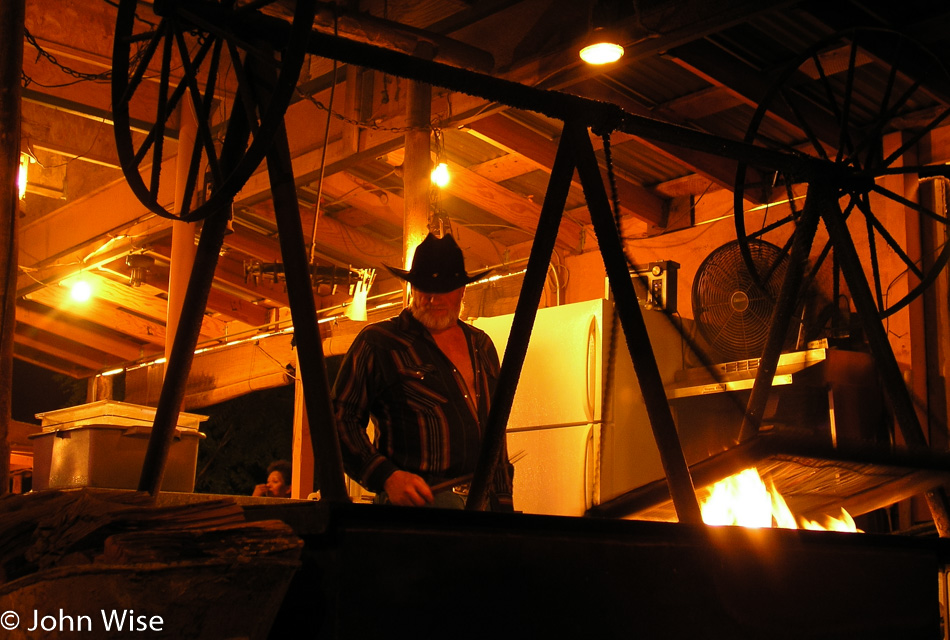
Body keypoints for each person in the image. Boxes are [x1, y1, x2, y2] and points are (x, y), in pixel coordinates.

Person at [333, 233, 513, 510]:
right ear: (411, 288)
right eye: (424, 288)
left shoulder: (481, 345)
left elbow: (496, 429)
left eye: (444, 289)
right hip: (416, 508)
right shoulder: (380, 342)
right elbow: (338, 419)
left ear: (462, 290)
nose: (433, 298)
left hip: (483, 505)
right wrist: (386, 475)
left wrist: (503, 500)